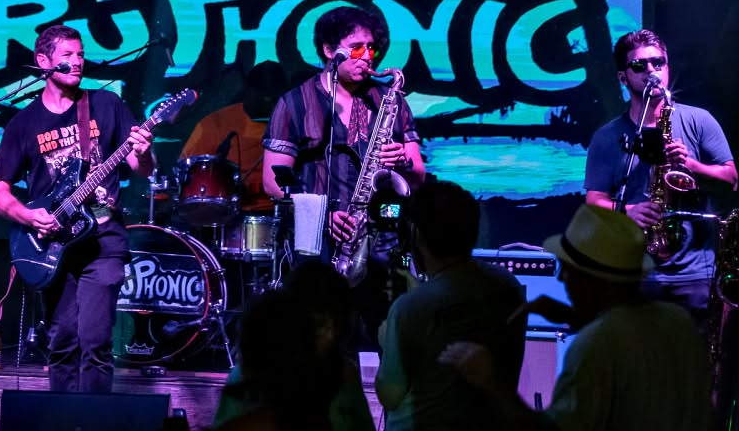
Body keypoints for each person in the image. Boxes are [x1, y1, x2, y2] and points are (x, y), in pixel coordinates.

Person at [440, 204, 711, 431]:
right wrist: (576, 319)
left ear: (591, 281)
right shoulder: (677, 320)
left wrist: (491, 380)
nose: (561, 279)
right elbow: (633, 349)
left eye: (568, 270)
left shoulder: (597, 343)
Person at [0, 24, 154, 393]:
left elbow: (141, 167)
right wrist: (28, 215)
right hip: (53, 246)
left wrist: (144, 153)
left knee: (95, 342)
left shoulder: (106, 105)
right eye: (68, 56)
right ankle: (61, 417)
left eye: (80, 55)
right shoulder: (23, 124)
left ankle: (93, 418)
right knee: (62, 342)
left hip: (103, 240)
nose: (78, 62)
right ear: (43, 62)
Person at [261, 6, 425, 343]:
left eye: (371, 47)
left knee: (393, 340)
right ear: (328, 49)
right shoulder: (294, 103)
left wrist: (402, 164)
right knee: (321, 344)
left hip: (384, 239)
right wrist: (322, 214)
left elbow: (418, 175)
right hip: (319, 246)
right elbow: (272, 182)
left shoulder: (390, 99)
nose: (367, 56)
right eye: (356, 47)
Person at [583, 29, 736, 327]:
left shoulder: (699, 120)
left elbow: (731, 179)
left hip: (695, 273)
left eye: (658, 63)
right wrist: (627, 211)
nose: (651, 71)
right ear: (623, 77)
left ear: (667, 67)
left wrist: (691, 165)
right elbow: (594, 203)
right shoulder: (606, 137)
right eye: (639, 65)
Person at [375, 180, 525, 431]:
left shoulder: (409, 308)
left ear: (417, 235)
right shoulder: (509, 287)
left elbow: (390, 396)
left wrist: (387, 338)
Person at [212, 261, 374, 431]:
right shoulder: (248, 375)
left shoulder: (345, 375)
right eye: (319, 324)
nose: (329, 334)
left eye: (335, 322)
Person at [178, 61, 287, 216]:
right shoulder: (215, 123)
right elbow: (187, 170)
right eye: (263, 97)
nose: (268, 105)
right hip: (228, 214)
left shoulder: (295, 124)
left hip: (282, 212)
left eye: (274, 99)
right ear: (247, 91)